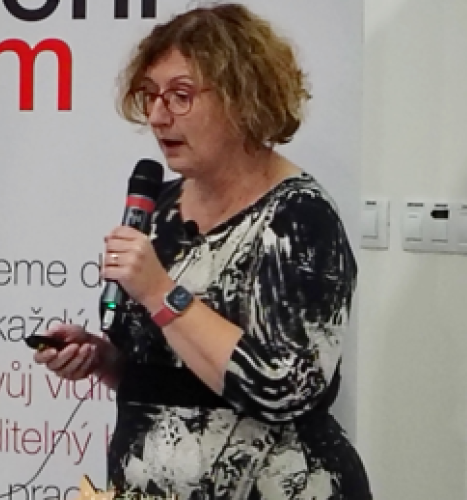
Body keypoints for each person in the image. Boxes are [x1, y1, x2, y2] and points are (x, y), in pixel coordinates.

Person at [32, 3, 372, 498]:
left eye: (180, 96)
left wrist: (161, 293)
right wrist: (105, 360)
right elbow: (178, 373)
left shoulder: (299, 217)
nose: (157, 116)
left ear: (243, 98)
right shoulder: (161, 208)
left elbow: (283, 388)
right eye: (150, 96)